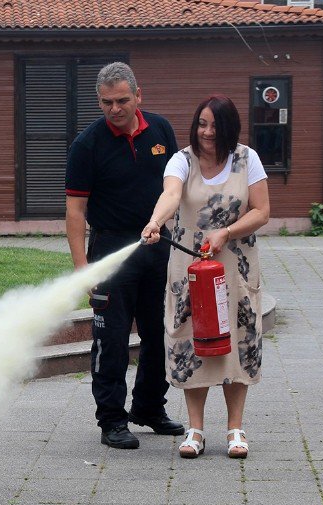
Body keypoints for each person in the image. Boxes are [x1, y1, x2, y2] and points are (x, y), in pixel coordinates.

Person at [142, 94, 270, 460]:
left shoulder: (248, 159)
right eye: (202, 124)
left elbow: (262, 210)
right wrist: (155, 222)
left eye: (215, 126)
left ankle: (235, 428)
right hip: (189, 270)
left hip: (235, 267)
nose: (207, 132)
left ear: (230, 129)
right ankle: (195, 429)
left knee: (239, 339)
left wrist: (226, 232)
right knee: (188, 338)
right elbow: (170, 194)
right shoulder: (182, 160)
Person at [65, 61, 184, 450]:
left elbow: (176, 186)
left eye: (121, 100)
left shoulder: (162, 130)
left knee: (160, 333)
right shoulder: (87, 145)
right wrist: (84, 270)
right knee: (111, 339)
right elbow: (75, 212)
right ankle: (112, 419)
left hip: (158, 246)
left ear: (138, 96)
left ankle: (149, 407)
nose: (114, 109)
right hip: (112, 250)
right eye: (106, 103)